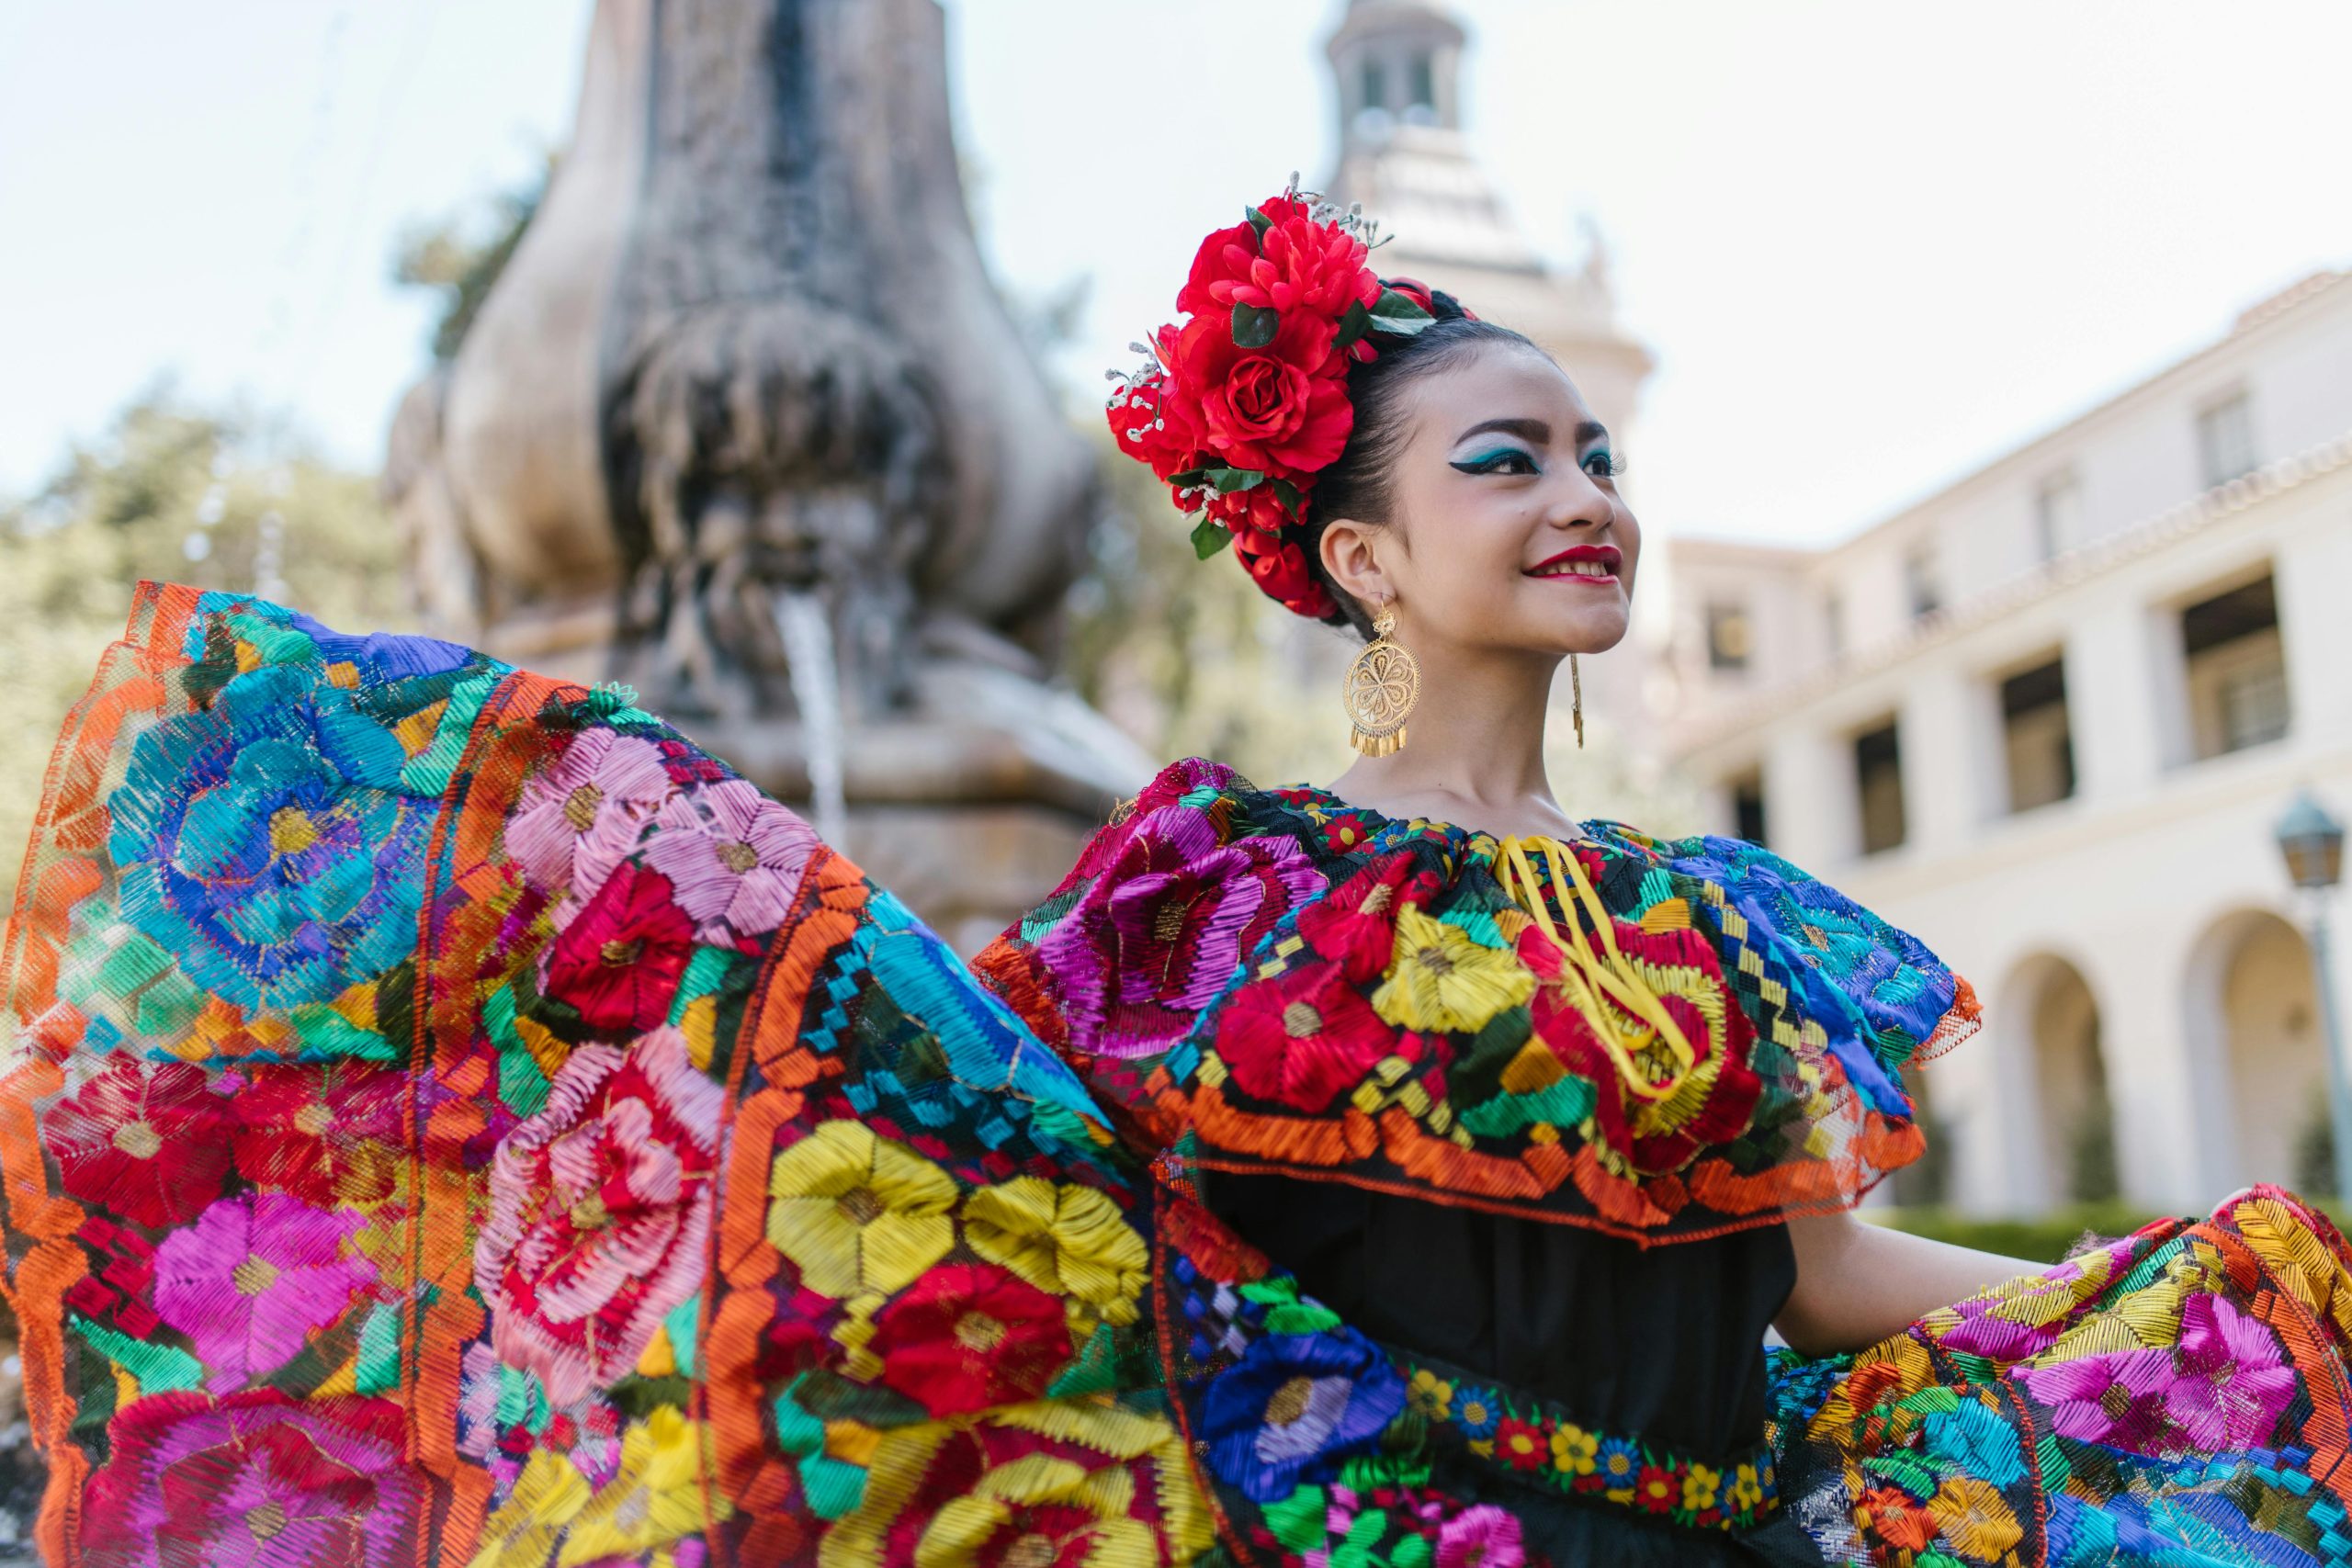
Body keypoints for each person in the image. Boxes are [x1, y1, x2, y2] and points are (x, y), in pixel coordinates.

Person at [2, 185, 2346, 1568]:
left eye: (1598, 451)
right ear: (1360, 556)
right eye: (1506, 456)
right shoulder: (1220, 882)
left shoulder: (1717, 914)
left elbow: (1808, 1264)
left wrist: (2159, 1285)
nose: (1584, 491)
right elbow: (999, 1159)